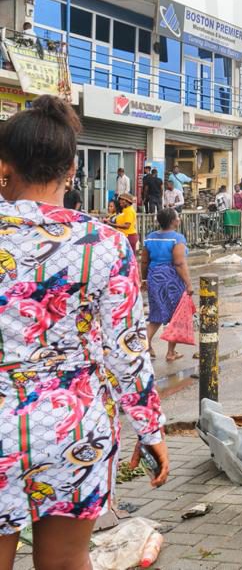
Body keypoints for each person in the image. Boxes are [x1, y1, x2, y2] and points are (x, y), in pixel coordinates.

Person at [0, 95, 168, 567]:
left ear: (3, 165)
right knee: (67, 562)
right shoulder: (105, 243)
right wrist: (150, 428)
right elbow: (127, 349)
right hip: (73, 426)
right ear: (72, 169)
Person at [140, 208, 193, 362]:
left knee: (156, 315)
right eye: (178, 216)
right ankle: (171, 353)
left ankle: (146, 346)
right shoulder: (177, 239)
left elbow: (144, 261)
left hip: (154, 277)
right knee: (176, 316)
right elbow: (179, 262)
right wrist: (188, 284)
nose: (179, 218)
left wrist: (144, 280)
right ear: (173, 221)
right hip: (171, 279)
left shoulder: (150, 238)